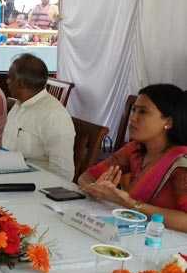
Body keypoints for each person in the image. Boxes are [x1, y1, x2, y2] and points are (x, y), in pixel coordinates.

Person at [79, 85, 187, 231]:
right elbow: (87, 176)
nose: (133, 118)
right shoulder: (135, 149)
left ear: (168, 122)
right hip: (132, 230)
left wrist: (129, 203)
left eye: (143, 112)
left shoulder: (181, 162)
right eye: (134, 110)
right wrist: (96, 189)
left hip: (168, 242)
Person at [3, 53, 75, 180]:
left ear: (20, 83)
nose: (7, 81)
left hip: (34, 186)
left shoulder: (54, 115)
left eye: (10, 77)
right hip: (8, 174)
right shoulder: (19, 104)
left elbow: (63, 172)